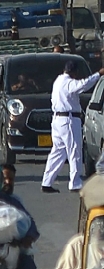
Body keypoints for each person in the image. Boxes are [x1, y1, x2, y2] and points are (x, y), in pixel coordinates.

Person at [41, 60, 104, 193]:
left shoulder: (58, 80)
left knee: (58, 152)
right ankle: (75, 182)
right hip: (68, 119)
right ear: (74, 72)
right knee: (74, 150)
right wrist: (98, 74)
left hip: (58, 120)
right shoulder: (68, 82)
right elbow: (84, 85)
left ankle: (47, 182)